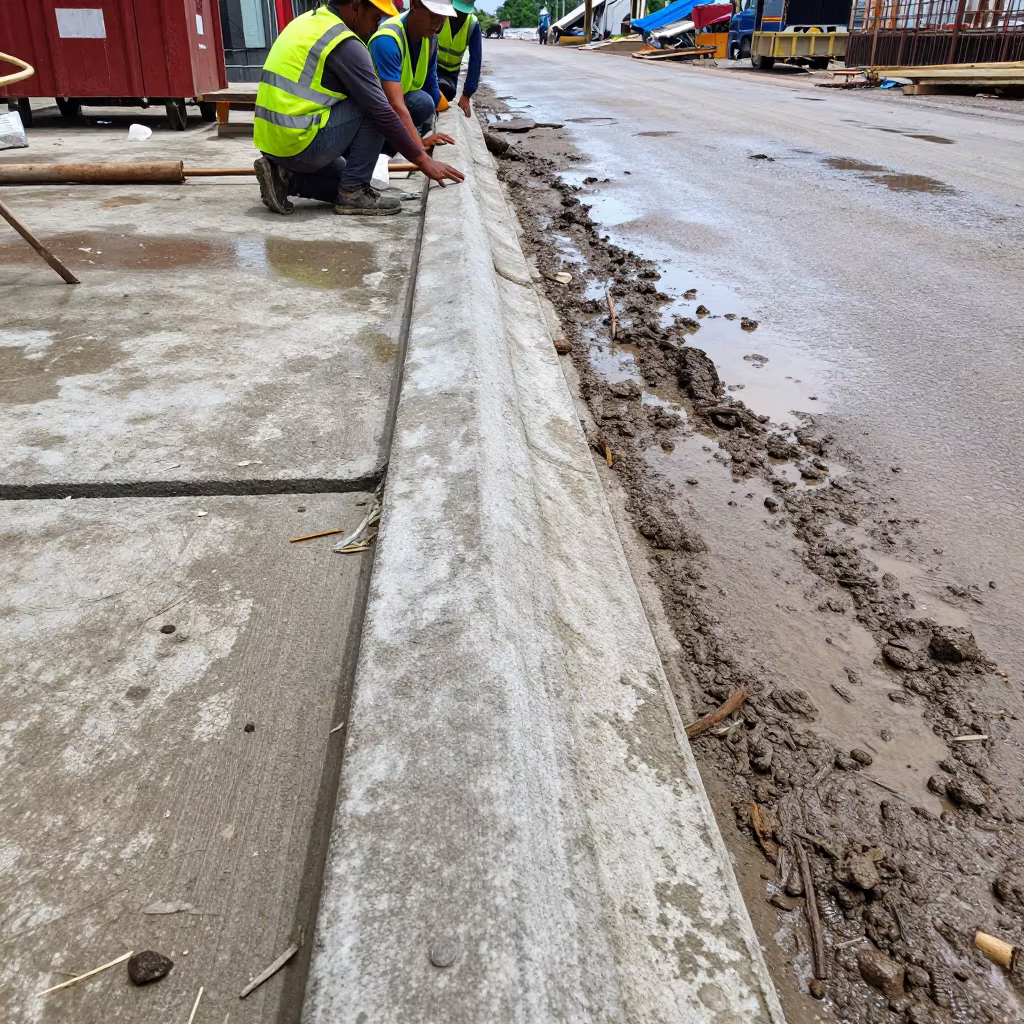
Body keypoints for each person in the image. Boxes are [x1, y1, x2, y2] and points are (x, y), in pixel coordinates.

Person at [253, 0, 463, 217]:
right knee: (373, 106)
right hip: (299, 142)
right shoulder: (345, 42)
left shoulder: (308, 21)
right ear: (355, 7)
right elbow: (383, 110)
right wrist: (421, 159)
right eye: (375, 17)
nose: (377, 25)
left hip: (272, 141)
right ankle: (353, 193)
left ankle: (285, 177)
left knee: (341, 183)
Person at [369, 0, 456, 156]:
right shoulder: (388, 39)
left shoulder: (430, 39)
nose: (438, 23)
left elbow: (431, 83)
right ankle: (382, 152)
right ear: (414, 5)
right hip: (374, 110)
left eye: (443, 16)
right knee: (422, 102)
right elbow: (396, 105)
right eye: (433, 14)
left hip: (396, 104)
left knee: (426, 103)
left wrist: (443, 116)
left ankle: (397, 145)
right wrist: (420, 153)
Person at [436, 1, 482, 117]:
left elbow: (475, 61)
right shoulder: (440, 16)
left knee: (448, 93)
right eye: (457, 11)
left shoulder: (472, 24)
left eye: (463, 13)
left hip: (451, 73)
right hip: (432, 68)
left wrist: (466, 94)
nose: (459, 15)